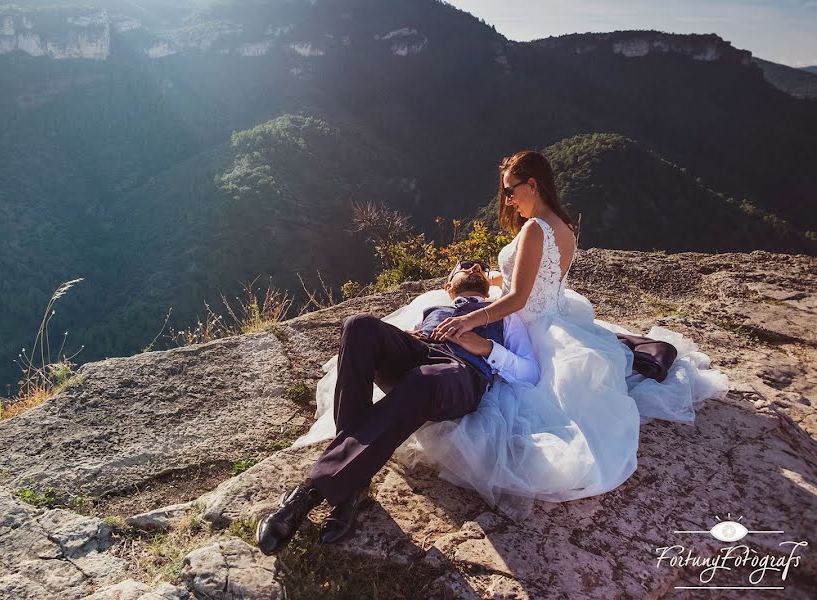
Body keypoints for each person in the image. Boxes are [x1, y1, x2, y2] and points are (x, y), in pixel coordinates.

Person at [294, 150, 729, 523]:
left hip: (529, 326)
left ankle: (345, 472)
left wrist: (472, 318)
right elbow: (537, 279)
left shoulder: (535, 228)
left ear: (532, 184)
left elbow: (520, 297)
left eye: (510, 189)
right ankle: (348, 477)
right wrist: (492, 276)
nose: (506, 198)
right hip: (554, 316)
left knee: (497, 382)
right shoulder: (562, 226)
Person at [256, 260, 540, 555]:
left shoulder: (505, 315)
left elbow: (530, 373)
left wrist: (484, 347)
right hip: (422, 354)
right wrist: (408, 337)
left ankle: (309, 493)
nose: (476, 267)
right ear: (448, 285)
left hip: (461, 374)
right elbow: (406, 345)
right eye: (464, 265)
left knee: (423, 380)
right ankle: (353, 485)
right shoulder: (434, 310)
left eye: (481, 266)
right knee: (359, 325)